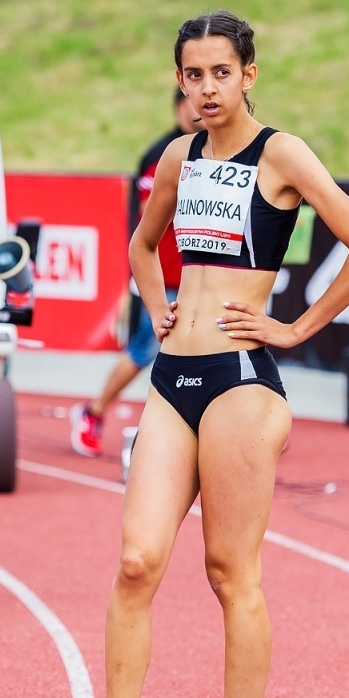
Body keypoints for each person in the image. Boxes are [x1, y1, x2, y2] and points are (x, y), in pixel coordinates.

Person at [58, 10, 349, 698]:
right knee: (137, 561)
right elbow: (144, 245)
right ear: (179, 80)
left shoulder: (282, 153)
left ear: (249, 74)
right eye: (192, 74)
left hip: (242, 379)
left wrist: (296, 327)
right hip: (173, 378)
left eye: (220, 72)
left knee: (229, 572)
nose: (206, 87)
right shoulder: (178, 155)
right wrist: (155, 306)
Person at [71, 90, 202, 457]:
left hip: (202, 276)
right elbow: (152, 216)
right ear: (179, 107)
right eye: (193, 101)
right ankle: (93, 412)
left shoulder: (215, 149)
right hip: (165, 277)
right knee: (146, 348)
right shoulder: (160, 156)